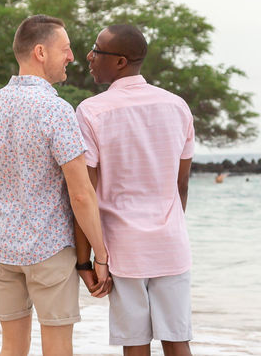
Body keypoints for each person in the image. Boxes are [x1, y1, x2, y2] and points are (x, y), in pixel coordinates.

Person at [0, 14, 113, 356]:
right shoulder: (56, 109)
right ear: (40, 52)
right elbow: (81, 194)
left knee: (11, 348)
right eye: (65, 49)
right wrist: (101, 256)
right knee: (57, 348)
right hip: (49, 250)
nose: (71, 57)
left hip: (2, 251)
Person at [76, 24, 195, 355]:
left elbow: (86, 192)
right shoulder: (177, 106)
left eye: (97, 50)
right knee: (177, 341)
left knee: (135, 346)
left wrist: (86, 262)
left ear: (120, 62)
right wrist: (167, 224)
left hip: (124, 248)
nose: (89, 56)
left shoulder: (91, 110)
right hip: (171, 245)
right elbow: (181, 183)